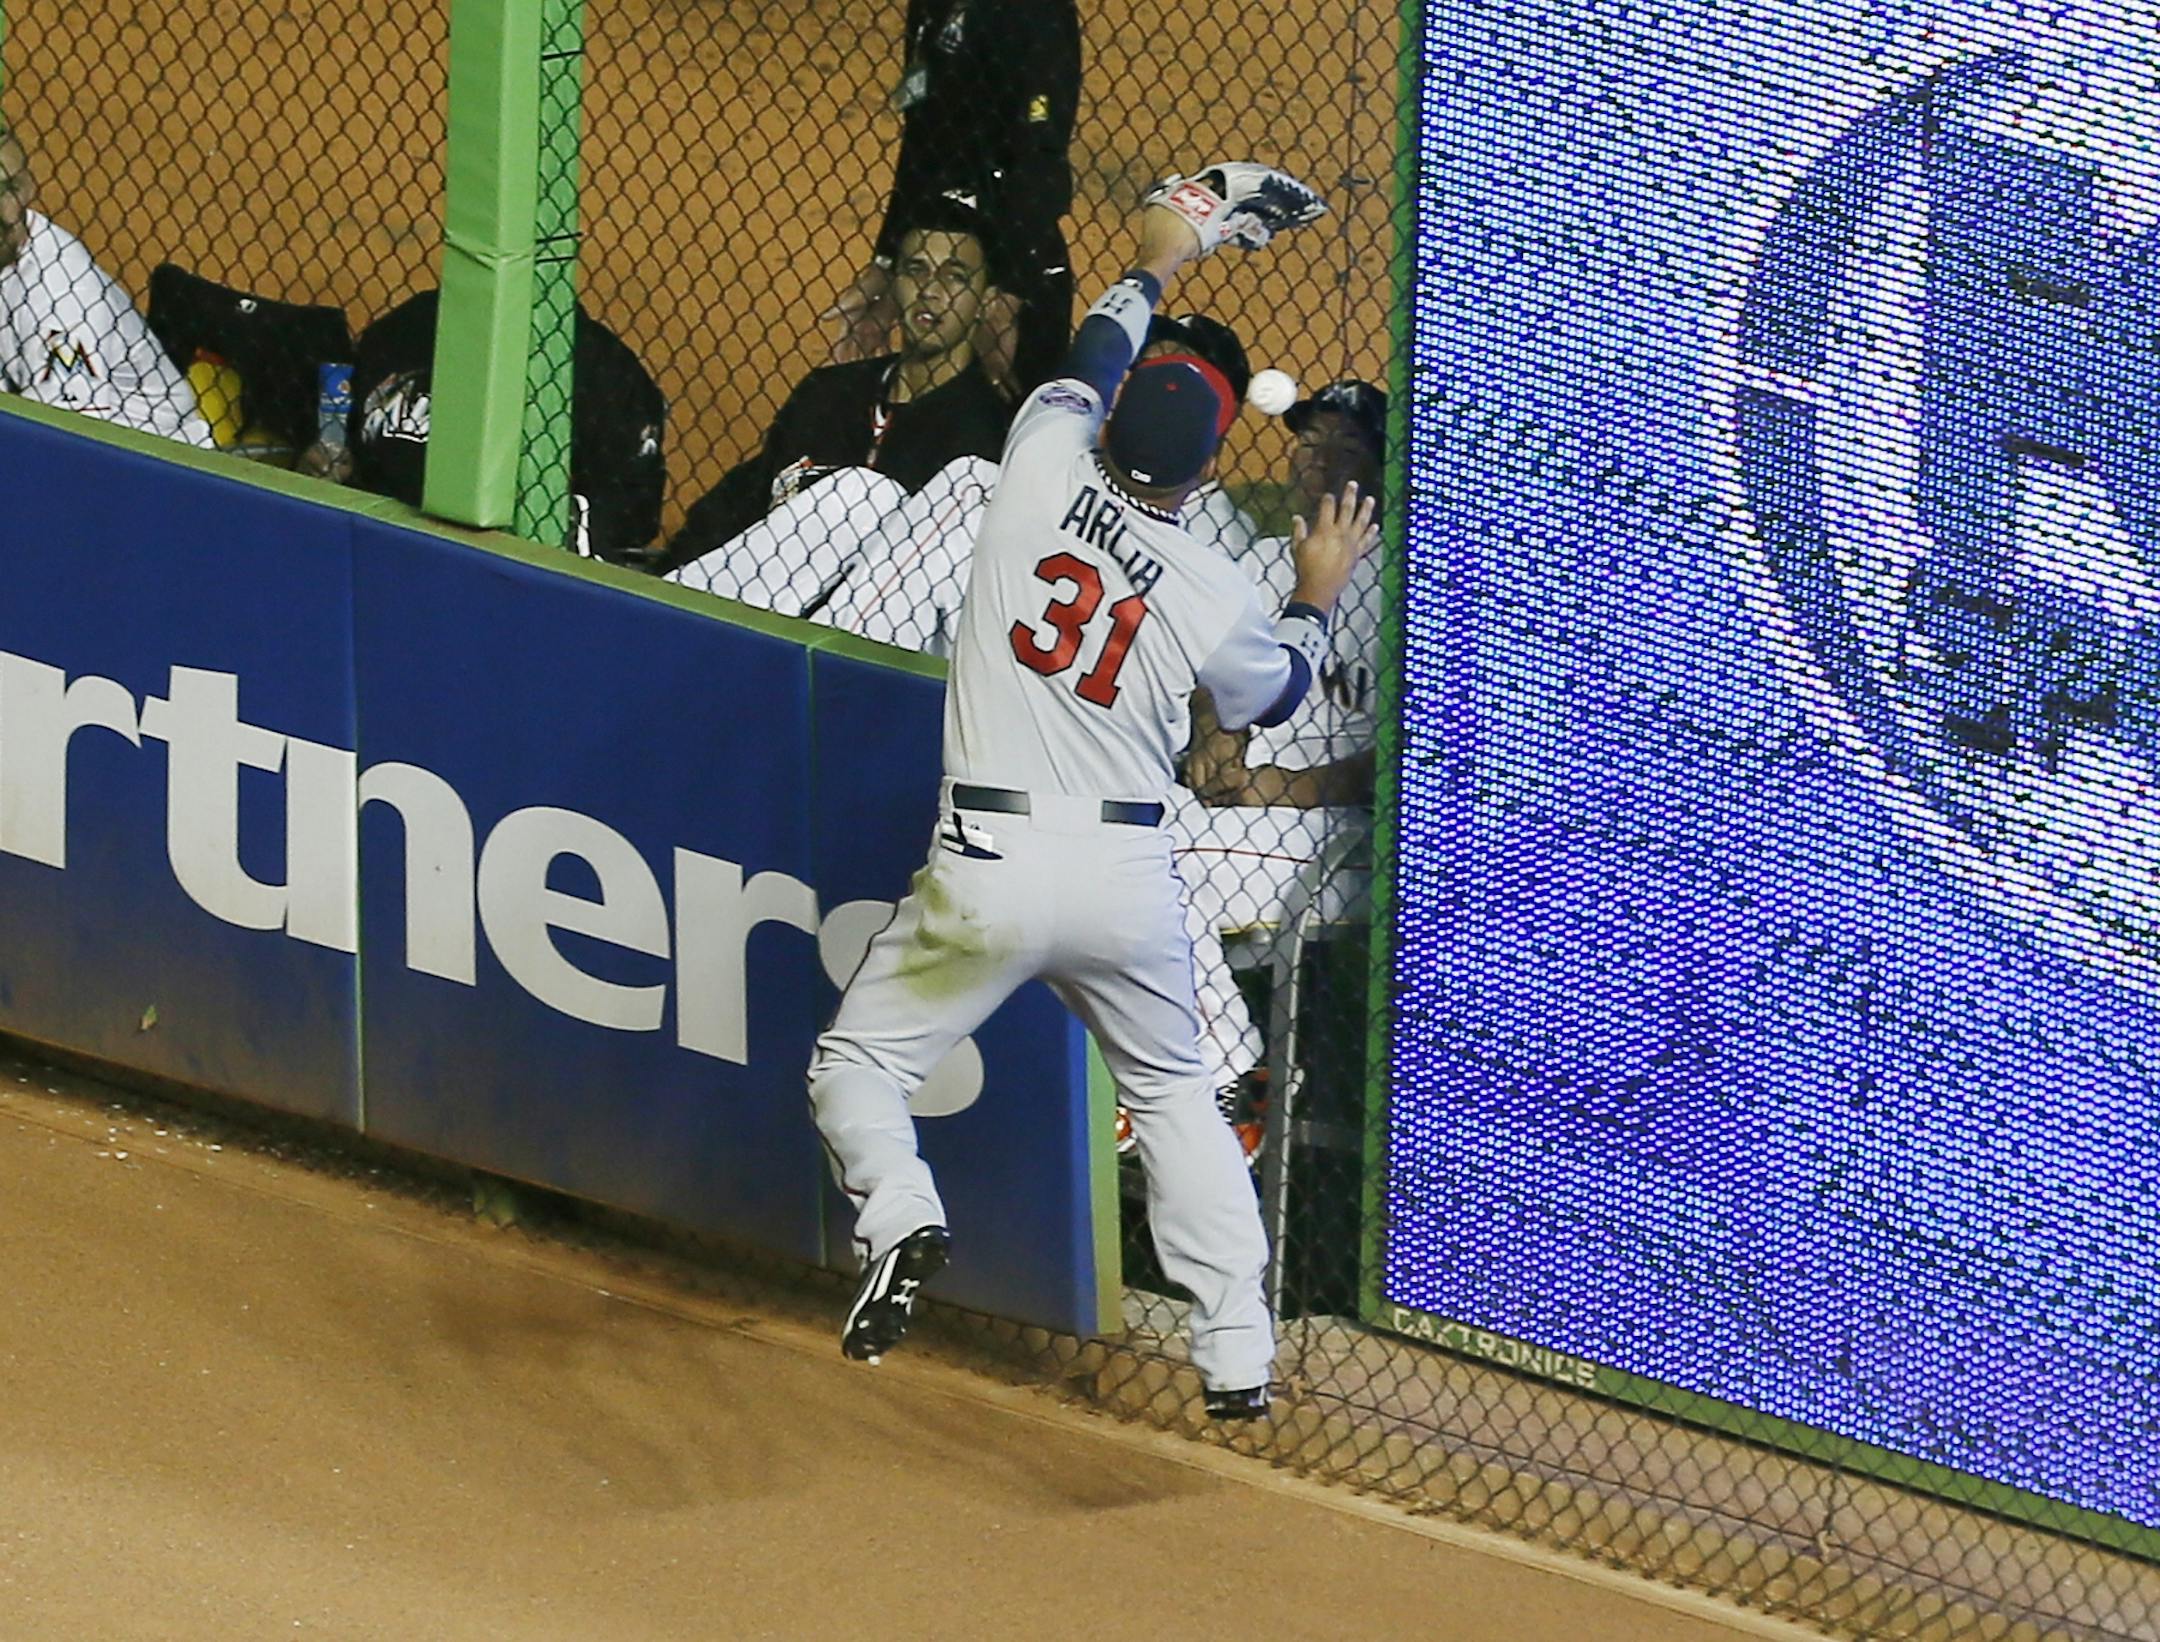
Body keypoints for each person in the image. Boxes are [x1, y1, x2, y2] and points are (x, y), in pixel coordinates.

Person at [805, 167, 1354, 1421]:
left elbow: (1096, 348)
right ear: (1208, 474)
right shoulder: (1213, 583)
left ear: (1107, 428)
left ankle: (901, 1214)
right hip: (1121, 880)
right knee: (1172, 1095)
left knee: (855, 1069)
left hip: (983, 863)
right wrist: (1318, 583)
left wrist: (1164, 255)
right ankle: (1233, 1354)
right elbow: (1273, 696)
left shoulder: (1038, 464)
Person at [1173, 379, 1389, 1153]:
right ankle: (1199, 1074)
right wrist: (1215, 741)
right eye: (1309, 442)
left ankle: (1238, 1082)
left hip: (1345, 834)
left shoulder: (1408, 585)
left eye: (1347, 448)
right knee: (1115, 837)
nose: (1320, 462)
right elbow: (1209, 682)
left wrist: (1283, 787)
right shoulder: (1265, 562)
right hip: (1242, 816)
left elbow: (1404, 757)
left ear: (1385, 469)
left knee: (1160, 872)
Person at [811, 308, 1258, 657]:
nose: (1151, 386)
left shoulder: (1215, 538)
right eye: (1146, 370)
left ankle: (836, 656)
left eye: (1174, 373)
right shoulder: (1087, 464)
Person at [661, 202, 1013, 607]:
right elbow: (740, 503)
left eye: (955, 277)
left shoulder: (986, 442)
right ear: (894, 283)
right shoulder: (828, 394)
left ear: (986, 301)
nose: (931, 290)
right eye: (915, 270)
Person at [823, 0, 1081, 398]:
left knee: (1007, 428)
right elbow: (921, 138)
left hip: (1017, 258)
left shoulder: (1037, 13)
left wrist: (1006, 296)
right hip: (938, 252)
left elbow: (1040, 164)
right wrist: (889, 264)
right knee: (929, 424)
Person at [298, 288, 666, 564]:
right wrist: (327, 469)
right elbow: (352, 453)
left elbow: (632, 506)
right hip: (376, 549)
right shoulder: (405, 333)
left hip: (511, 578)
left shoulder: (601, 373)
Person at [0, 126, 213, 448]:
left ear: (28, 188)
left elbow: (62, 446)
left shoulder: (60, 296)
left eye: (7, 189)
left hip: (151, 470)